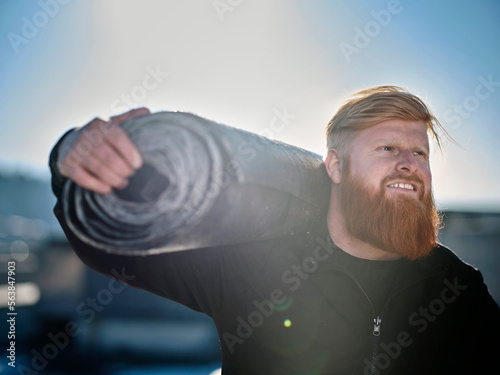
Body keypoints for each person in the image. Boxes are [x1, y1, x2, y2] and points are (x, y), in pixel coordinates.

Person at [49, 86, 500, 374]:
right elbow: (108, 245)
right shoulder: (257, 266)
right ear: (335, 167)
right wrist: (73, 156)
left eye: (420, 153)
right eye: (387, 147)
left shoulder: (457, 287)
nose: (409, 163)